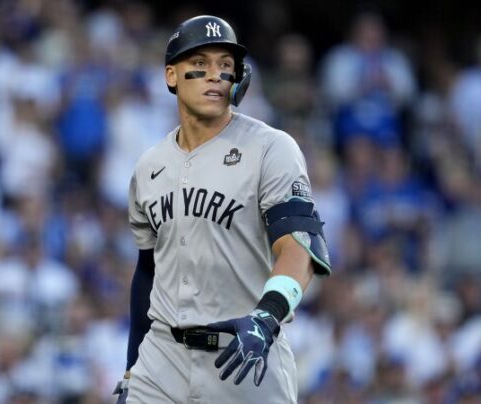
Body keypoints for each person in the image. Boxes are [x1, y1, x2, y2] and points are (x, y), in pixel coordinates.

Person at [113, 15, 331, 403]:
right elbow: (147, 272)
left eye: (225, 66)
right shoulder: (149, 166)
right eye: (200, 64)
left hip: (245, 356)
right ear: (171, 76)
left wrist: (267, 317)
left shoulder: (271, 148)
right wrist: (133, 366)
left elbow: (299, 248)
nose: (214, 74)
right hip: (163, 359)